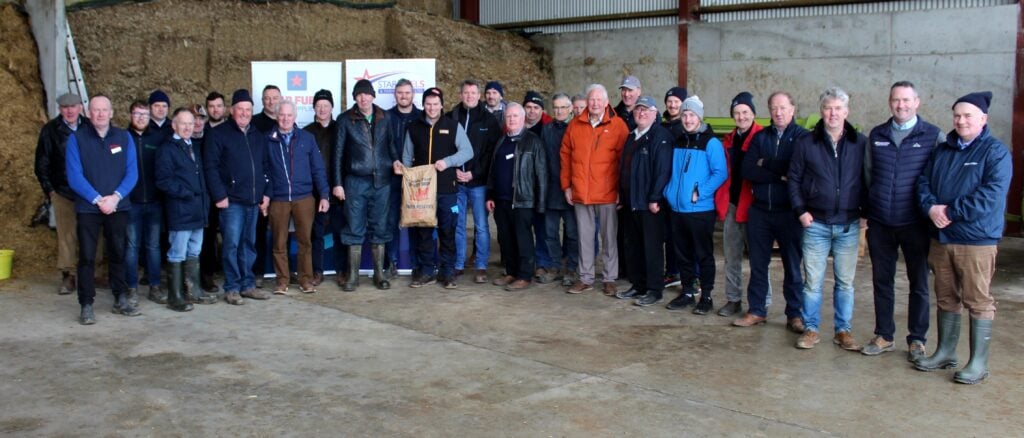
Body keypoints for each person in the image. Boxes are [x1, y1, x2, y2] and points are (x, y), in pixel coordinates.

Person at [914, 91, 1011, 385]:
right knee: (946, 298)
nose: (961, 120)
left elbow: (991, 196)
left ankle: (978, 363)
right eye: (957, 115)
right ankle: (945, 352)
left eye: (968, 115)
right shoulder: (943, 151)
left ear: (983, 119)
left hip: (975, 241)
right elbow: (923, 182)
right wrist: (930, 207)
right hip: (942, 239)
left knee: (978, 300)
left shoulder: (995, 152)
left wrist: (951, 212)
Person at [861, 81, 943, 359]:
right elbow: (869, 174)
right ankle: (884, 335)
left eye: (907, 100)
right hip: (881, 222)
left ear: (917, 102)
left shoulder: (932, 135)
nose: (901, 105)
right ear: (889, 102)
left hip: (915, 224)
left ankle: (917, 338)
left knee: (918, 282)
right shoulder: (877, 135)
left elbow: (938, 179)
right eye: (896, 100)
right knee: (881, 281)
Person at [788, 87, 867, 351]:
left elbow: (869, 180)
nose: (832, 113)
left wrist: (865, 214)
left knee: (845, 283)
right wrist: (801, 211)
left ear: (846, 112)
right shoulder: (806, 143)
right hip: (816, 224)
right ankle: (811, 329)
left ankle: (842, 330)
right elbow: (795, 180)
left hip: (848, 224)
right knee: (813, 283)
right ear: (821, 111)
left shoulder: (860, 143)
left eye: (837, 108)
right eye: (827, 108)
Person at [733, 92, 806, 332]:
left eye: (783, 107)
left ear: (792, 109)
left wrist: (767, 163)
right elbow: (748, 170)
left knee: (793, 266)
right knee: (758, 264)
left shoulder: (803, 138)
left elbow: (796, 170)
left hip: (790, 212)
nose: (778, 112)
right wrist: (778, 173)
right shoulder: (760, 137)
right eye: (774, 108)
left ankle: (794, 314)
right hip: (761, 211)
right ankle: (756, 310)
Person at [65, 94, 139, 324]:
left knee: (118, 252)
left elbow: (132, 173)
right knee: (87, 256)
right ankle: (86, 304)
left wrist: (115, 198)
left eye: (104, 110)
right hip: (89, 208)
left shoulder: (124, 137)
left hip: (118, 206)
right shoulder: (77, 139)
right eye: (95, 110)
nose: (99, 114)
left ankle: (120, 297)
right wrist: (98, 199)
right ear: (88, 113)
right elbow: (74, 176)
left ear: (111, 113)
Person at [396, 87, 473, 289]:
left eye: (435, 104)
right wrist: (404, 173)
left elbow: (467, 151)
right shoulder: (414, 127)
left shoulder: (453, 125)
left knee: (448, 231)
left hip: (448, 189)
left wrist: (448, 162)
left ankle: (447, 273)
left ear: (441, 105)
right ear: (424, 105)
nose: (432, 108)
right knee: (423, 233)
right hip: (422, 192)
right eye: (428, 104)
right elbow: (406, 157)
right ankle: (426, 271)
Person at [204, 89, 272, 305]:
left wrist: (266, 194)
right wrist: (219, 195)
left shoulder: (257, 136)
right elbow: (210, 167)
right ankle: (232, 287)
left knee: (248, 245)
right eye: (240, 109)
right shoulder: (219, 134)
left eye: (248, 110)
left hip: (253, 201)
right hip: (231, 201)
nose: (244, 113)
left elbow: (265, 166)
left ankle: (248, 285)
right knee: (232, 245)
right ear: (232, 110)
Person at [560, 84, 628, 296]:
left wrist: (620, 190)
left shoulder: (618, 125)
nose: (595, 104)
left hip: (607, 192)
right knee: (584, 237)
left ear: (607, 103)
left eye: (599, 100)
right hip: (581, 191)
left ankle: (609, 278)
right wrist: (566, 186)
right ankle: (586, 278)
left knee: (609, 238)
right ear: (586, 102)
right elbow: (565, 156)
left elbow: (624, 161)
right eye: (592, 100)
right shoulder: (574, 125)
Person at [663, 95, 728, 314]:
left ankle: (706, 295)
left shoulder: (711, 143)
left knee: (703, 254)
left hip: (700, 210)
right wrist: (669, 192)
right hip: (677, 208)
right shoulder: (679, 139)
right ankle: (688, 292)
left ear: (699, 117)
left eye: (692, 115)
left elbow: (721, 173)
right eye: (685, 114)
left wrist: (700, 193)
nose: (688, 119)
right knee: (683, 254)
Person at [334, 79, 397, 291]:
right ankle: (353, 276)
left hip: (382, 182)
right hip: (355, 182)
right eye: (359, 95)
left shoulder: (385, 117)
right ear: (354, 97)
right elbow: (338, 154)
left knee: (380, 226)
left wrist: (395, 161)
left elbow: (391, 145)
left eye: (366, 94)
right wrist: (337, 183)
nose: (363, 98)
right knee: (354, 227)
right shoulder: (345, 120)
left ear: (373, 96)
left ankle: (379, 274)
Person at [154, 107, 218, 312]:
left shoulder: (193, 147)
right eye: (183, 123)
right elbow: (164, 181)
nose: (188, 127)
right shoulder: (167, 149)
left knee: (194, 251)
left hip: (197, 211)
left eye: (191, 123)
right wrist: (187, 193)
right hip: (180, 210)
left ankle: (194, 290)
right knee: (177, 252)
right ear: (174, 125)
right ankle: (176, 296)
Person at [265, 101, 330, 294]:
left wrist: (324, 195)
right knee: (279, 242)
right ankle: (282, 281)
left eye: (289, 115)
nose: (285, 119)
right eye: (282, 115)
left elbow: (318, 169)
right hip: (279, 198)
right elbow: (264, 170)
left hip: (304, 198)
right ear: (277, 117)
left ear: (295, 117)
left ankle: (305, 280)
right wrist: (266, 196)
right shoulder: (267, 139)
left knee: (305, 241)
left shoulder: (307, 138)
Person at [614, 96, 673, 306]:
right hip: (631, 202)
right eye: (638, 110)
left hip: (650, 205)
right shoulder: (632, 136)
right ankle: (638, 285)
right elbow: (623, 168)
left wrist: (655, 197)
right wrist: (621, 194)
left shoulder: (660, 136)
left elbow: (663, 170)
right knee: (634, 246)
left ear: (655, 113)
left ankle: (654, 289)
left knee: (652, 248)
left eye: (646, 110)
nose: (641, 113)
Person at [486, 102, 547, 291]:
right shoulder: (501, 140)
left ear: (522, 118)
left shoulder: (533, 141)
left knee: (523, 239)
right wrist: (490, 195)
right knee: (506, 239)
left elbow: (541, 174)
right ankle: (511, 272)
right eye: (509, 116)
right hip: (502, 200)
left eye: (515, 116)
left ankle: (524, 275)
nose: (511, 119)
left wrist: (541, 204)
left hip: (522, 200)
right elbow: (493, 170)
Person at [35, 92, 91, 295]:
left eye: (73, 106)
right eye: (65, 107)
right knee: (66, 235)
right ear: (60, 110)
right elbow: (42, 162)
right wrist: (50, 190)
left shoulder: (89, 127)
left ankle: (93, 271)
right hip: (62, 190)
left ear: (80, 108)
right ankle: (68, 275)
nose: (69, 111)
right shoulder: (50, 130)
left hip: (88, 191)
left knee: (93, 232)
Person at [713, 92, 762, 317]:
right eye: (737, 113)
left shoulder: (763, 137)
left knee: (758, 259)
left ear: (753, 113)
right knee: (731, 255)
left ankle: (759, 304)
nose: (741, 117)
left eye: (745, 112)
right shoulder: (729, 140)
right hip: (733, 204)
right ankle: (733, 300)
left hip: (756, 206)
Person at [448, 79, 500, 284]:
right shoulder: (451, 117)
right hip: (456, 183)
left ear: (479, 96)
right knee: (458, 225)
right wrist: (454, 171)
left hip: (477, 184)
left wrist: (474, 173)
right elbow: (446, 149)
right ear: (460, 95)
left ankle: (481, 266)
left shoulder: (489, 121)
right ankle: (458, 264)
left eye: (473, 93)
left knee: (481, 226)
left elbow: (490, 154)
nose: (469, 96)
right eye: (466, 93)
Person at [126, 100, 165, 305]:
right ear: (130, 115)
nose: (141, 117)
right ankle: (131, 288)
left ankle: (155, 285)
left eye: (144, 114)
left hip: (154, 201)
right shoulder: (123, 138)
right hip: (131, 202)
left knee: (153, 246)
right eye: (137, 114)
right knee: (132, 247)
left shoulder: (157, 138)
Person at [385, 79, 423, 279]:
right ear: (395, 94)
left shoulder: (422, 117)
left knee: (416, 221)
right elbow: (383, 144)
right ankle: (391, 263)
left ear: (413, 94)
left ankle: (417, 265)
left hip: (416, 179)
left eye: (407, 92)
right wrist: (394, 162)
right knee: (391, 220)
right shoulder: (386, 117)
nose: (403, 96)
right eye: (400, 92)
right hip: (392, 176)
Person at [540, 93, 578, 287]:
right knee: (550, 232)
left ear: (571, 108)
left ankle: (572, 268)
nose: (560, 111)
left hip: (571, 191)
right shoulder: (546, 130)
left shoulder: (577, 128)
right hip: (551, 190)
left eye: (563, 107)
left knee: (572, 233)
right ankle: (554, 266)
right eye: (556, 108)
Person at [304, 89, 339, 286]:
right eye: (318, 106)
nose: (322, 109)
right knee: (316, 233)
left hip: (338, 189)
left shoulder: (341, 128)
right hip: (314, 191)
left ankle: (342, 270)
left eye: (326, 105)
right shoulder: (307, 132)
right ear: (314, 108)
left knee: (341, 230)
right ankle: (316, 271)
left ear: (332, 107)